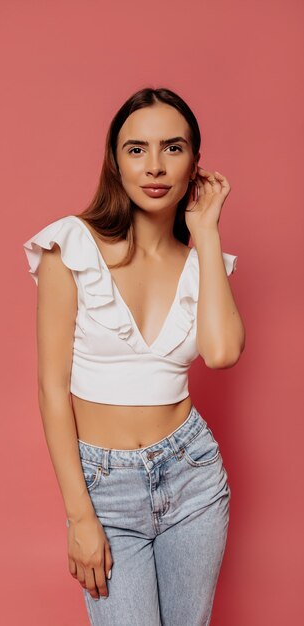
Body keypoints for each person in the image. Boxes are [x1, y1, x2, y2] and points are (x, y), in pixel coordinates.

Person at [23, 86, 245, 626]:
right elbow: (53, 390)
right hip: (105, 486)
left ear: (195, 162)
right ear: (115, 161)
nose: (154, 166)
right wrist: (80, 516)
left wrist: (207, 234)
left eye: (173, 148)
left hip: (192, 474)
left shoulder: (201, 263)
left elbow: (220, 354)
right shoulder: (71, 247)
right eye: (136, 148)